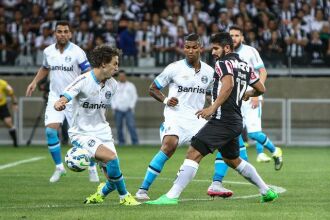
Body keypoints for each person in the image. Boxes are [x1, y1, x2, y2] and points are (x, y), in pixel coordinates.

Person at [146, 32, 278, 205]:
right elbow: (261, 88)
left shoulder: (222, 63)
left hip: (222, 120)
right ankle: (266, 191)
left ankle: (171, 196)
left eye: (216, 48)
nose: (213, 52)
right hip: (236, 121)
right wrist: (249, 93)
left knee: (193, 153)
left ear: (227, 48)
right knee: (232, 160)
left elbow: (229, 85)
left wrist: (212, 108)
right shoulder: (245, 65)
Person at [54, 45, 140, 206]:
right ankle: (125, 197)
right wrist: (61, 102)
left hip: (103, 131)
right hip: (81, 133)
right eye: (114, 63)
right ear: (103, 64)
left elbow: (101, 108)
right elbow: (66, 95)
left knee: (113, 179)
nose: (117, 67)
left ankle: (100, 194)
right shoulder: (83, 80)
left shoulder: (113, 85)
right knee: (112, 159)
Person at [135, 34, 214, 200]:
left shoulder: (209, 71)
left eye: (194, 47)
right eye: (187, 47)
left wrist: (212, 107)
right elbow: (153, 88)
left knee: (216, 145)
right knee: (169, 145)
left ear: (200, 48)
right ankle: (143, 190)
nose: (190, 50)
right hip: (175, 115)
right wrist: (165, 100)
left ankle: (213, 182)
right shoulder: (174, 68)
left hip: (196, 118)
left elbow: (210, 94)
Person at [207, 26, 284, 197]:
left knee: (254, 133)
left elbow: (262, 72)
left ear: (242, 36)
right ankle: (219, 180)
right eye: (231, 35)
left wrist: (255, 94)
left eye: (237, 35)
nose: (234, 37)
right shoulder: (223, 57)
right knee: (231, 138)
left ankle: (274, 150)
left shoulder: (250, 51)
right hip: (233, 100)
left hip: (249, 98)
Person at [26, 20, 99, 183]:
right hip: (55, 97)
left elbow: (87, 72)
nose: (63, 34)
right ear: (55, 34)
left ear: (70, 34)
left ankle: (92, 167)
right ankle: (59, 167)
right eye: (59, 31)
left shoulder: (78, 52)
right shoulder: (48, 51)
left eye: (66, 31)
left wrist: (91, 91)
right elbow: (45, 68)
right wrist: (34, 82)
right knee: (50, 131)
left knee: (84, 135)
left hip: (74, 98)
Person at [111, 70, 139, 146]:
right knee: (119, 127)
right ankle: (121, 142)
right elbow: (111, 97)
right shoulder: (115, 85)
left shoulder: (131, 85)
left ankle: (135, 142)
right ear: (118, 77)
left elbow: (134, 96)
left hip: (128, 109)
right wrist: (114, 106)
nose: (121, 77)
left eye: (123, 76)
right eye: (120, 76)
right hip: (118, 109)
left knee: (131, 126)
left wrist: (131, 106)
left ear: (125, 76)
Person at [0, 79, 18, 147]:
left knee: (8, 122)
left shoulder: (3, 83)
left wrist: (15, 103)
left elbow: (11, 92)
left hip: (2, 107)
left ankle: (15, 142)